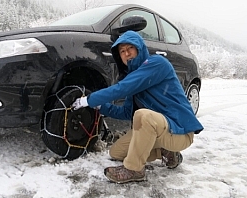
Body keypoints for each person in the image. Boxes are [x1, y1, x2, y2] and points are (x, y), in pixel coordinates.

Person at [72, 30, 204, 184]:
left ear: (140, 48)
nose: (126, 53)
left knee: (143, 116)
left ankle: (135, 169)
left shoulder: (157, 63)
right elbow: (127, 112)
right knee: (116, 152)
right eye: (122, 51)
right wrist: (102, 106)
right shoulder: (133, 78)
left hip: (179, 132)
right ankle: (166, 152)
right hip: (157, 131)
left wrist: (88, 100)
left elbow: (122, 88)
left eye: (130, 48)